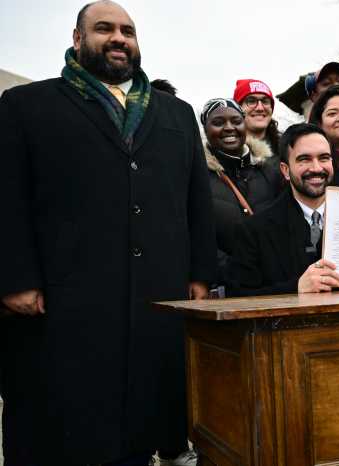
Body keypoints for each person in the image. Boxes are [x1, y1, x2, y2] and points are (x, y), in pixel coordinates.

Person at [0, 2, 217, 465]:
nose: (118, 38)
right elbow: (7, 196)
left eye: (128, 31)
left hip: (154, 302)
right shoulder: (26, 105)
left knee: (138, 434)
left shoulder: (177, 114)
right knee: (62, 434)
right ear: (78, 39)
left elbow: (197, 201)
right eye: (104, 29)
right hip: (63, 305)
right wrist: (15, 277)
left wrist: (200, 272)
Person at [232, 123, 339, 296]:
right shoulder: (254, 230)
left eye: (323, 158)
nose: (316, 168)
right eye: (304, 159)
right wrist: (296, 288)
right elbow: (239, 297)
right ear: (285, 170)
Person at [201, 98, 282, 296]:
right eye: (218, 123)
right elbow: (194, 233)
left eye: (236, 121)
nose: (229, 128)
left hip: (272, 284)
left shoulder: (270, 171)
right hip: (223, 286)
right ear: (205, 128)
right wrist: (229, 269)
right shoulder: (197, 176)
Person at [233, 78, 281, 154]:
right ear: (237, 108)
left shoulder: (289, 149)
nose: (260, 108)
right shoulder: (220, 154)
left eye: (265, 101)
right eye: (251, 101)